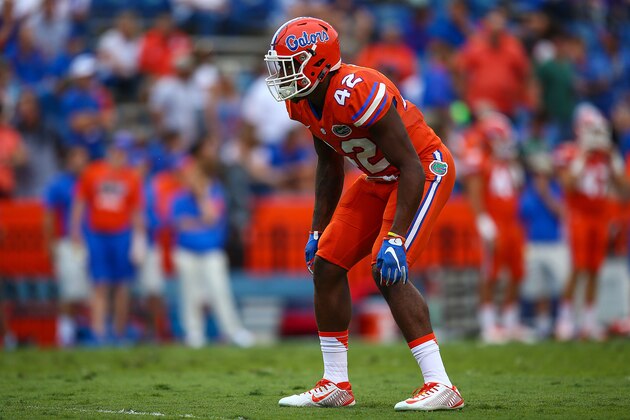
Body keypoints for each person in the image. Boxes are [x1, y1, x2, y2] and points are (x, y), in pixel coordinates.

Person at [264, 17, 463, 411]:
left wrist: (395, 238)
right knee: (327, 263)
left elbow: (409, 163)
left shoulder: (358, 89)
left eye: (290, 64)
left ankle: (441, 384)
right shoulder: (303, 100)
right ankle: (336, 382)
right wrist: (316, 229)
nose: (282, 74)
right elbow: (329, 163)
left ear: (317, 62)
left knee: (387, 268)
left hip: (423, 170)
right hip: (378, 176)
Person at [554, 103, 628, 341]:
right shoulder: (570, 153)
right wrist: (583, 156)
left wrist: (614, 158)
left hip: (600, 216)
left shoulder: (607, 157)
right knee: (577, 267)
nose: (596, 135)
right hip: (578, 216)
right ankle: (564, 320)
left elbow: (625, 191)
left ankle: (588, 321)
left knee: (595, 269)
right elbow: (569, 185)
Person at [171, 139, 253, 348]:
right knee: (190, 293)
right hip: (187, 251)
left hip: (211, 250)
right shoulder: (179, 198)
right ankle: (193, 333)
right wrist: (199, 220)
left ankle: (232, 331)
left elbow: (212, 217)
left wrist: (200, 199)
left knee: (220, 291)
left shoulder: (215, 191)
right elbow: (180, 225)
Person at [70, 136, 145, 343]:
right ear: (109, 150)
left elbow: (136, 210)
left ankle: (119, 332)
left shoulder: (131, 177)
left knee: (122, 284)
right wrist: (75, 230)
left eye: (124, 151)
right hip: (97, 233)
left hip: (122, 233)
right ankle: (99, 332)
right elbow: (80, 201)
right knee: (99, 283)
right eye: (117, 150)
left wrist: (140, 237)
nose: (120, 155)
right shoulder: (93, 172)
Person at [461, 111, 527, 343]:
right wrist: (482, 220)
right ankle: (488, 324)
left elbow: (515, 192)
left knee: (517, 271)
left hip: (512, 222)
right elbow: (475, 191)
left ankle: (510, 321)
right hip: (494, 221)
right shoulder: (481, 160)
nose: (504, 143)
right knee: (491, 272)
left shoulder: (508, 163)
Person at [43, 145, 90, 347]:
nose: (80, 163)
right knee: (69, 292)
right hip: (68, 242)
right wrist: (50, 243)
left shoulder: (93, 182)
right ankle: (65, 335)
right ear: (69, 161)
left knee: (91, 291)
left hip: (93, 241)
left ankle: (91, 335)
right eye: (76, 158)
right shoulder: (59, 184)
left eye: (83, 158)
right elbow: (48, 217)